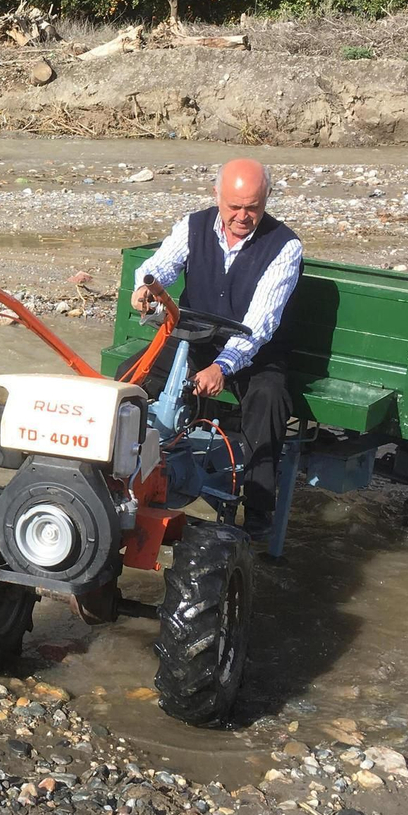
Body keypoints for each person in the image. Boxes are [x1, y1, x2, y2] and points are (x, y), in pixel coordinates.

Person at [127, 158, 302, 537]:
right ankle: (122, 475)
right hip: (194, 341)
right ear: (216, 196)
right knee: (128, 381)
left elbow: (260, 324)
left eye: (253, 207)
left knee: (269, 400)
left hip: (255, 354)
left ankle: (257, 511)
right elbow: (159, 268)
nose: (242, 216)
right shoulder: (193, 226)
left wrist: (222, 367)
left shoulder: (285, 247)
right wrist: (145, 288)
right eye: (234, 206)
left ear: (267, 198)